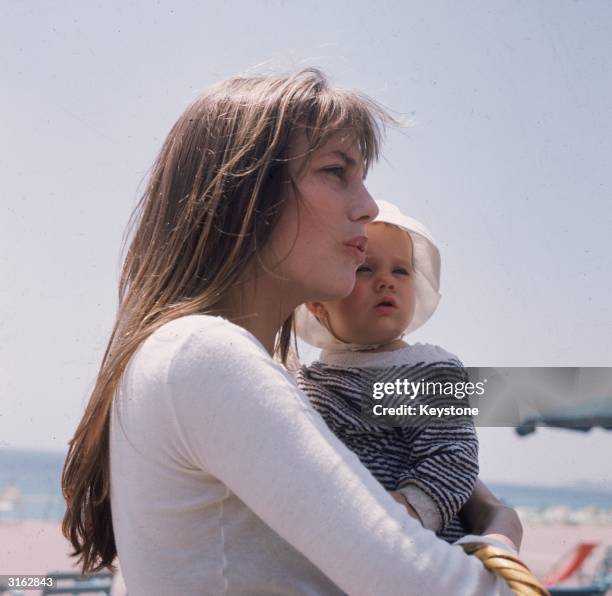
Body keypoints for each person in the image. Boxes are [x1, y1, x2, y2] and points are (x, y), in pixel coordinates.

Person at [62, 69, 525, 595]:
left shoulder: (187, 360)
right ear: (245, 192)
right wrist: (502, 530)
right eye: (336, 171)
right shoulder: (206, 355)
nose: (368, 206)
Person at [295, 200, 479, 544]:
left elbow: (452, 459)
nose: (386, 282)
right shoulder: (308, 380)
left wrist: (403, 512)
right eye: (365, 269)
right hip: (339, 543)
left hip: (410, 545)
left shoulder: (427, 371)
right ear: (317, 300)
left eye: (401, 271)